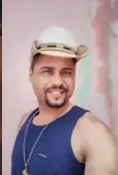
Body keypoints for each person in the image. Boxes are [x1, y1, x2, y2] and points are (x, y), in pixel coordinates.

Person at [11, 26, 118, 175]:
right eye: (47, 71)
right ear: (31, 73)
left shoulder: (94, 134)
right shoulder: (24, 122)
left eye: (66, 72)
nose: (58, 81)